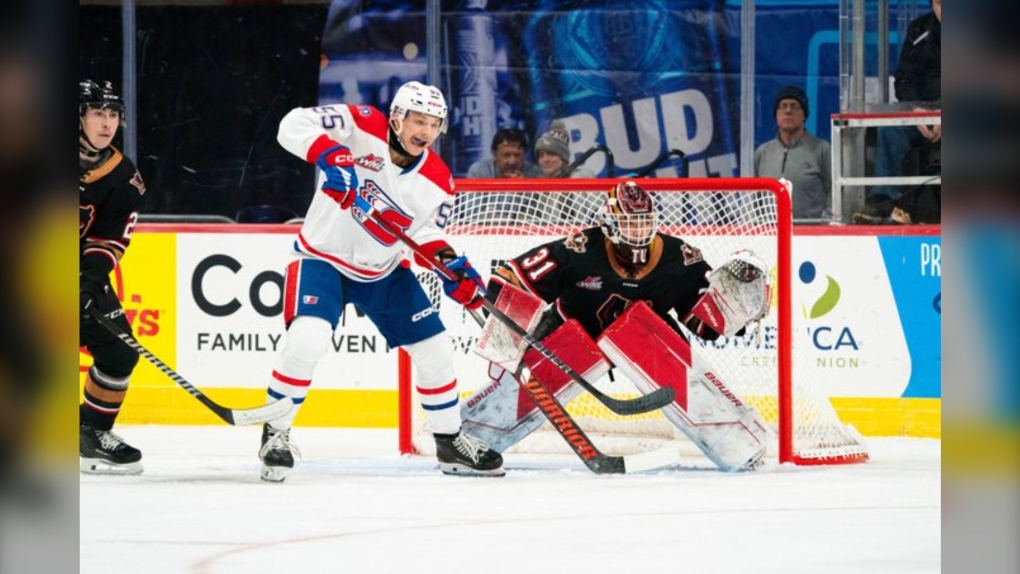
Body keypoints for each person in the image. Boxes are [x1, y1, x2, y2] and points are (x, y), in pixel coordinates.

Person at [264, 80, 504, 481]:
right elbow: (292, 124)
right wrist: (332, 155)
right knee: (308, 338)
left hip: (383, 269)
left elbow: (422, 234)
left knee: (435, 350)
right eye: (418, 120)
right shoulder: (361, 124)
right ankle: (276, 432)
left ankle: (449, 441)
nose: (425, 132)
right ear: (397, 117)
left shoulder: (439, 181)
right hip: (322, 257)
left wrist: (449, 264)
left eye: (433, 124)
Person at [466, 181, 770, 461]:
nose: (637, 231)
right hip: (573, 331)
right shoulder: (579, 250)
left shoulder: (681, 258)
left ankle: (737, 444)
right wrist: (507, 336)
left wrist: (737, 315)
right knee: (524, 385)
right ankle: (470, 438)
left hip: (646, 337)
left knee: (679, 367)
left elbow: (702, 324)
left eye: (642, 222)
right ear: (608, 223)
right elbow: (510, 277)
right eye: (628, 223)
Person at [79, 80, 147, 475]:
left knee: (120, 353)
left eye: (113, 114)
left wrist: (89, 280)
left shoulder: (124, 176)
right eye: (97, 113)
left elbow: (108, 237)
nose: (107, 123)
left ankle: (91, 432)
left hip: (75, 270)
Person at [857, 0, 941, 223]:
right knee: (891, 129)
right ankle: (883, 199)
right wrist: (916, 110)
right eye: (940, 3)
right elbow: (904, 79)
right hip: (921, 116)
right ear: (933, 4)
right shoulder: (918, 29)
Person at [754, 85, 832, 221]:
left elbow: (834, 192)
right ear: (776, 115)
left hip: (812, 235)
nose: (788, 111)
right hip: (772, 235)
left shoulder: (822, 149)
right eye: (783, 106)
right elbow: (756, 197)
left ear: (804, 115)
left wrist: (826, 226)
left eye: (794, 106)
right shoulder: (763, 152)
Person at [465, 128, 541, 178]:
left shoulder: (536, 174)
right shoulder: (479, 172)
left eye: (517, 155)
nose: (512, 161)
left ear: (525, 154)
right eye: (506, 155)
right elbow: (472, 202)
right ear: (494, 154)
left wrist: (521, 189)